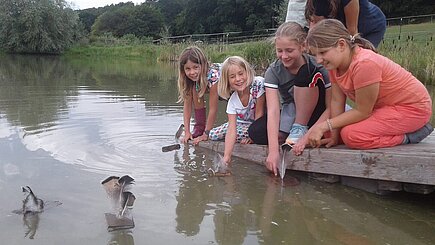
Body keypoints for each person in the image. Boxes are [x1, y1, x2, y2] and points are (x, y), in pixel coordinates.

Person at [304, 19, 433, 151]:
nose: (319, 60)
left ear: (341, 45)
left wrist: (324, 125)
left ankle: (411, 136)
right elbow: (337, 101)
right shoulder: (334, 65)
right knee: (327, 133)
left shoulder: (364, 64)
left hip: (413, 109)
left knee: (352, 135)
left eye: (323, 52)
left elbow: (362, 111)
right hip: (385, 108)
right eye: (315, 55)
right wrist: (334, 136)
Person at [248, 22, 331, 176]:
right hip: (292, 111)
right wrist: (273, 151)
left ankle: (301, 130)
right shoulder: (273, 70)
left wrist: (308, 136)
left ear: (303, 46)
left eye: (289, 50)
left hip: (318, 110)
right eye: (279, 51)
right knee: (255, 132)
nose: (284, 56)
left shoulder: (317, 65)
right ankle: (291, 132)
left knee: (305, 72)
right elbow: (273, 110)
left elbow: (332, 105)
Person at [208, 56, 266, 164]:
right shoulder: (233, 101)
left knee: (252, 131)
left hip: (258, 124)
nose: (238, 79)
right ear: (227, 81)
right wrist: (227, 156)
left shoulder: (257, 84)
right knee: (213, 135)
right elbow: (231, 129)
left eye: (241, 74)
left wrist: (252, 136)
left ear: (247, 72)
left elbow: (259, 114)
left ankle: (244, 136)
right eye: (232, 77)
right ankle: (235, 139)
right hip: (241, 125)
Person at [177, 46, 220, 144]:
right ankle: (199, 127)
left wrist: (206, 134)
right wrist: (187, 132)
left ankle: (204, 130)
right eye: (188, 69)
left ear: (203, 65)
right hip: (205, 83)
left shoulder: (213, 76)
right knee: (195, 89)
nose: (192, 72)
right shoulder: (191, 80)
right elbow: (187, 106)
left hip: (232, 91)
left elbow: (213, 109)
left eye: (196, 67)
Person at [304, 0, 386, 47]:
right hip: (344, 26)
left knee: (360, 59)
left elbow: (352, 33)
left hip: (371, 26)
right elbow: (318, 28)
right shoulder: (315, 2)